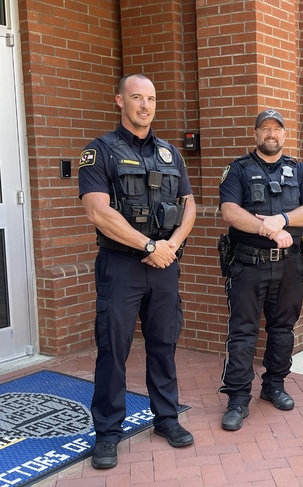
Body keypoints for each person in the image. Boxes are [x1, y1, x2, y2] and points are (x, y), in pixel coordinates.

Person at [78, 74, 197, 469]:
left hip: (165, 264)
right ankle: (107, 433)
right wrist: (149, 246)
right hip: (122, 267)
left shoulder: (170, 154)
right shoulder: (100, 151)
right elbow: (97, 211)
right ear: (120, 101)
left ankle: (166, 418)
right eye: (137, 98)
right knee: (113, 350)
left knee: (164, 343)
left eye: (151, 99)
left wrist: (170, 246)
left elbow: (189, 204)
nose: (145, 106)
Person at [218, 109, 303, 431]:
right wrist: (272, 231)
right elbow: (230, 212)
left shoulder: (299, 170)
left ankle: (274, 385)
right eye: (265, 128)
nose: (271, 134)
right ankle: (237, 398)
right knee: (243, 332)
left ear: (284, 135)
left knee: (282, 330)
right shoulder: (238, 169)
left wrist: (283, 220)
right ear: (256, 134)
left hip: (289, 265)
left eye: (277, 129)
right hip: (249, 264)